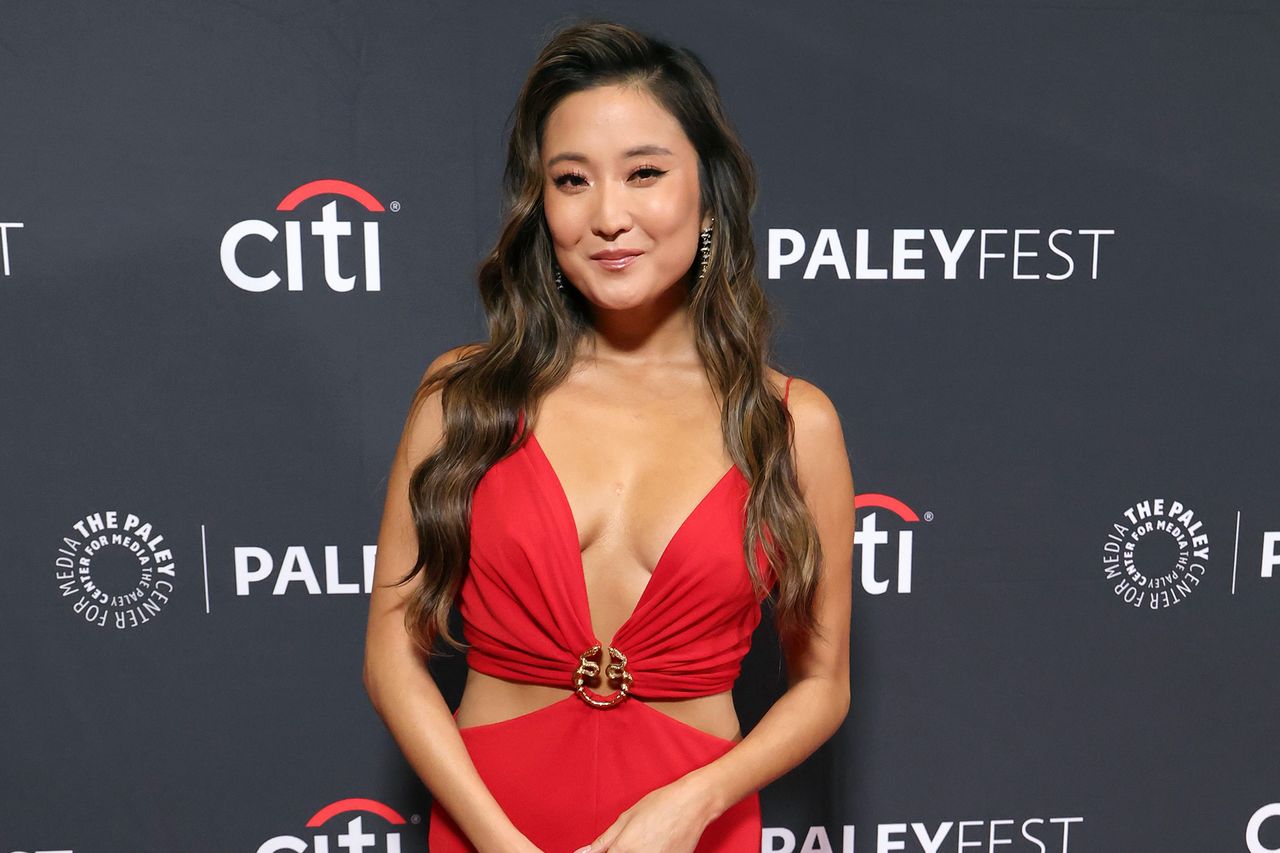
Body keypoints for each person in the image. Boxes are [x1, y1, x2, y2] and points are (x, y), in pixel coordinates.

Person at [363, 19, 854, 853]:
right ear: (540, 203)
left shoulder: (791, 423)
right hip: (492, 827)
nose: (608, 215)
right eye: (571, 179)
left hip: (690, 832)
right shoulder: (464, 395)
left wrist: (695, 803)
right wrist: (499, 841)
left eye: (645, 173)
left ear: (707, 195)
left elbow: (822, 683)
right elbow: (391, 658)